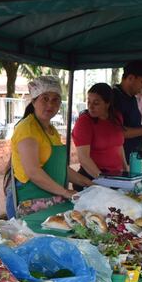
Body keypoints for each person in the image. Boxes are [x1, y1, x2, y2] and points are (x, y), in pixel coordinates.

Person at [7, 76, 92, 217]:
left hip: (52, 202)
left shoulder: (52, 131)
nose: (50, 105)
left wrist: (88, 183)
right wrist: (65, 192)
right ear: (34, 101)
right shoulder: (27, 129)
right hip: (30, 204)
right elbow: (33, 171)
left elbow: (60, 169)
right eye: (45, 99)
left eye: (55, 100)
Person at [72, 83, 127, 187]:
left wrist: (125, 169)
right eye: (88, 102)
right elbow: (84, 158)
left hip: (115, 176)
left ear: (107, 103)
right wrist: (103, 180)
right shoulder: (84, 121)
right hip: (92, 177)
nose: (90, 107)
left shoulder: (117, 117)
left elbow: (119, 146)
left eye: (96, 103)